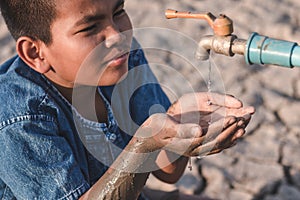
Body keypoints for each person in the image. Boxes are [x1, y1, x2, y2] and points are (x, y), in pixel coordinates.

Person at [0, 0, 255, 199]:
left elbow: (168, 172)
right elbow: (145, 147)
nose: (116, 35)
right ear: (35, 53)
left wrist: (180, 128)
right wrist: (143, 146)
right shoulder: (19, 118)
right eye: (90, 27)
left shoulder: (124, 59)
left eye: (119, 11)